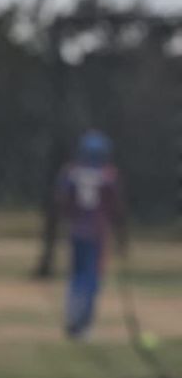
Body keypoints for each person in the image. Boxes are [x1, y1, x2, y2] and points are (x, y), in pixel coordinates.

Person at [57, 129, 127, 339]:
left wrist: (70, 217)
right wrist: (121, 235)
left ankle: (72, 318)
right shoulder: (108, 175)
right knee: (91, 279)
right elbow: (116, 206)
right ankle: (83, 323)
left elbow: (62, 199)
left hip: (77, 230)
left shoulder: (71, 172)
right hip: (97, 233)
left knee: (76, 278)